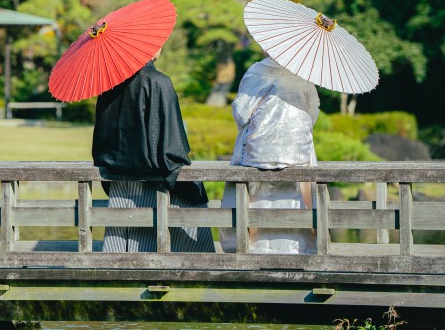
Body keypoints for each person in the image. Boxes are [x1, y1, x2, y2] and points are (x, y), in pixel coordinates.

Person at [92, 49, 215, 252]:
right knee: (192, 193)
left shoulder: (109, 84)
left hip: (118, 179)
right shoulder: (158, 81)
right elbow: (172, 144)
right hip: (153, 179)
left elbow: (102, 138)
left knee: (122, 240)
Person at [219, 51, 320, 254]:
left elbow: (241, 114)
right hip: (297, 150)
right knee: (296, 198)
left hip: (258, 151)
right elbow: (313, 113)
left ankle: (251, 247)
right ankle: (299, 248)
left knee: (256, 199)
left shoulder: (256, 72)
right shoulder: (304, 73)